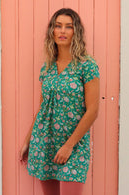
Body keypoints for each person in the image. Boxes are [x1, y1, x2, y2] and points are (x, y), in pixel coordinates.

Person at [19, 8, 100, 195]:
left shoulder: (87, 65)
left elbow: (93, 110)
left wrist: (69, 146)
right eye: (58, 26)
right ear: (52, 31)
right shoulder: (47, 68)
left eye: (68, 27)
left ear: (76, 32)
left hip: (74, 145)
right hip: (45, 142)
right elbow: (43, 108)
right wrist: (28, 140)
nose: (62, 31)